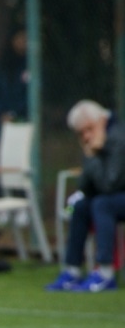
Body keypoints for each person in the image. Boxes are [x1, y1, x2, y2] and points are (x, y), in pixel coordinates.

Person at [45, 99, 125, 292]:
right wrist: (92, 155)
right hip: (110, 197)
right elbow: (85, 187)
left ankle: (105, 272)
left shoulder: (118, 137)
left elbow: (110, 185)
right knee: (80, 206)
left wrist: (92, 156)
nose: (86, 136)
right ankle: (72, 270)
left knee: (101, 204)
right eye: (81, 133)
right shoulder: (96, 140)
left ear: (100, 120)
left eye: (88, 129)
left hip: (116, 196)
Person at [0, 28, 30, 160]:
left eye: (26, 39)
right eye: (21, 39)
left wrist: (18, 113)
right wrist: (2, 113)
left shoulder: (31, 65)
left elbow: (31, 95)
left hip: (24, 118)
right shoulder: (2, 66)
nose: (24, 43)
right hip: (4, 119)